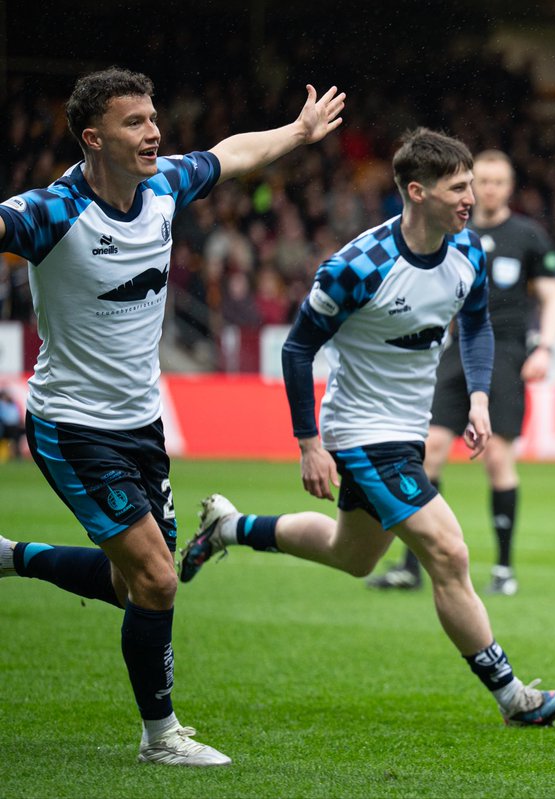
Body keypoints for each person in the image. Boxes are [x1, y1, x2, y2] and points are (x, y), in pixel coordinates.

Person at [0, 67, 345, 766]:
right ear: (93, 138)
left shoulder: (162, 186)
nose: (153, 131)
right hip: (72, 425)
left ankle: (11, 556)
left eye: (153, 117)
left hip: (142, 426)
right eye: (135, 122)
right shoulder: (50, 212)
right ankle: (161, 736)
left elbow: (232, 153)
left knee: (135, 582)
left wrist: (299, 131)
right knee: (158, 577)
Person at [177, 129, 555, 728]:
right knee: (448, 550)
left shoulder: (468, 252)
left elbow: (476, 326)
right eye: (458, 187)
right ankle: (513, 696)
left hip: (408, 429)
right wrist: (310, 443)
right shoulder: (357, 267)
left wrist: (477, 397)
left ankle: (229, 527)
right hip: (361, 433)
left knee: (353, 555)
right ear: (416, 191)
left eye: (471, 184)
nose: (471, 198)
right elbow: (296, 351)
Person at [367, 149, 555, 596]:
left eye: (498, 181)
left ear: (510, 186)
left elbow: (553, 297)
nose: (489, 189)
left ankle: (503, 570)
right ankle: (411, 565)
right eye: (483, 181)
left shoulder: (529, 236)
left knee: (497, 458)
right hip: (458, 351)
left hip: (509, 353)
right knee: (429, 450)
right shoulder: (456, 231)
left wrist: (546, 349)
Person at [0, 388, 24, 460]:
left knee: (14, 441)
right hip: (4, 425)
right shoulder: (1, 404)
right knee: (4, 440)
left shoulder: (13, 404)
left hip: (14, 426)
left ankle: (14, 455)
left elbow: (17, 414)